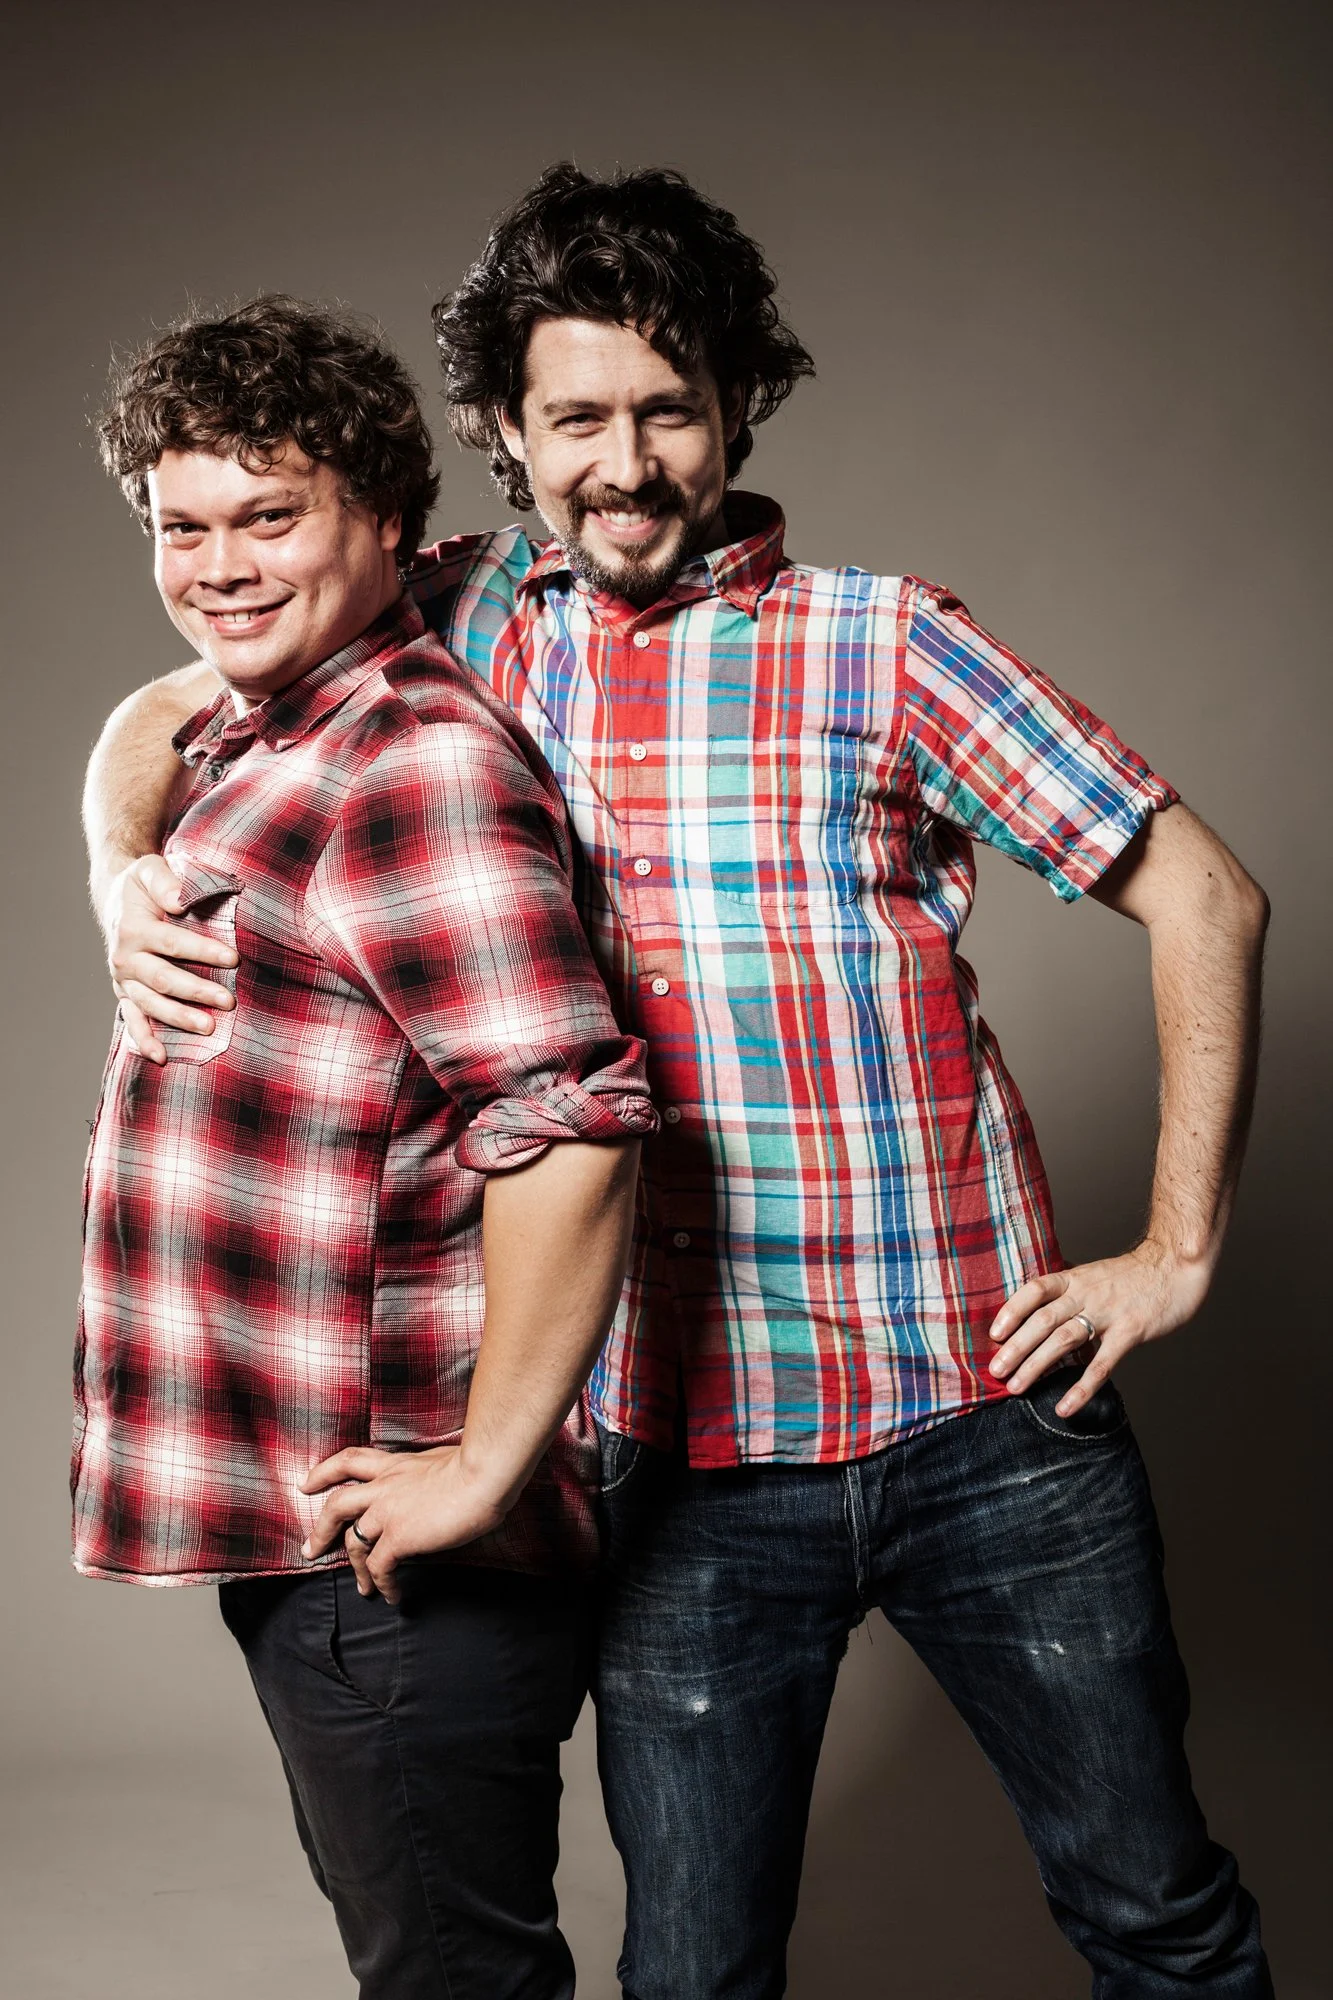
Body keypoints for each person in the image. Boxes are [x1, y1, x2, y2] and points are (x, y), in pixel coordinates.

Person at [85, 170, 1274, 1997]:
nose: (624, 462)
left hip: (985, 1422)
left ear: (735, 411)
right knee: (696, 1976)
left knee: (1153, 1913)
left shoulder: (886, 641)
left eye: (669, 408)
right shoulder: (453, 617)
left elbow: (1201, 886)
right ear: (502, 429)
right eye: (576, 416)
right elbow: (175, 702)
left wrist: (1176, 1246)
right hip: (680, 1463)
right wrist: (115, 867)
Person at [76, 294, 657, 2000]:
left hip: (392, 1546)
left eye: (272, 517)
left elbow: (569, 1120)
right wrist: (120, 867)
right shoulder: (277, 729)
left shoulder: (408, 764)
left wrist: (478, 1469)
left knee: (456, 1977)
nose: (221, 566)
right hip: (316, 1530)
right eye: (184, 527)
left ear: (393, 525)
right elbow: (150, 710)